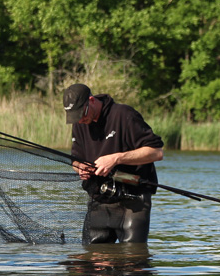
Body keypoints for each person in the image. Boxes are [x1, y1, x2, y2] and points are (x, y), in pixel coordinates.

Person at [63, 83, 164, 243]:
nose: (80, 120)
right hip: (99, 198)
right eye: (75, 117)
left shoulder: (124, 115)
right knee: (91, 262)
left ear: (91, 100)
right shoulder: (80, 123)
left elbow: (156, 153)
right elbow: (76, 159)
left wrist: (116, 158)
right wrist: (80, 168)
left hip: (133, 199)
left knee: (132, 261)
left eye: (82, 114)